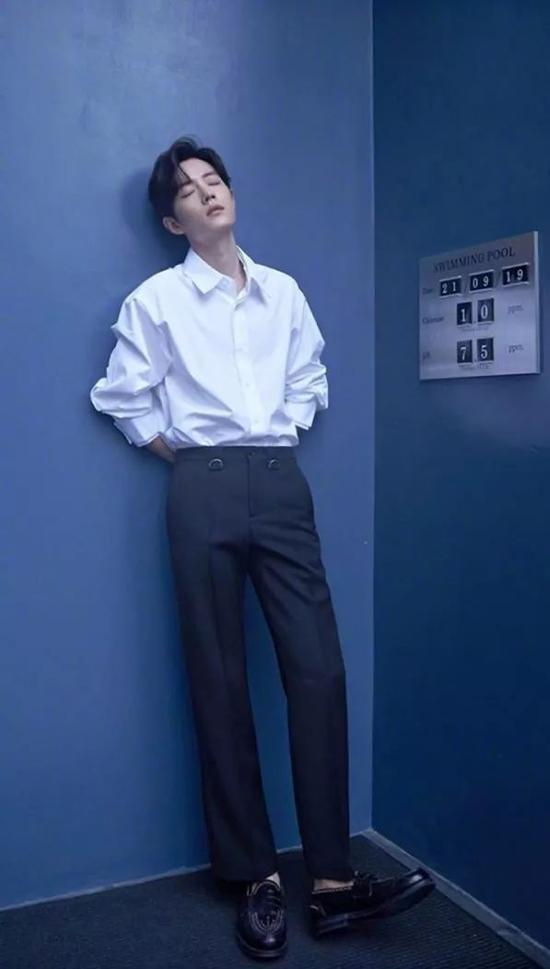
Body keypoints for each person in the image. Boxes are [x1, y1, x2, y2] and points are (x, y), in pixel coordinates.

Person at [90, 136, 434, 960]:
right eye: (188, 189)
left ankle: (333, 880)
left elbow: (310, 379)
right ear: (173, 221)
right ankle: (255, 877)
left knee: (318, 669)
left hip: (280, 483)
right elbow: (124, 398)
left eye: (215, 179)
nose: (208, 192)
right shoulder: (155, 301)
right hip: (201, 485)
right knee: (218, 677)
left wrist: (272, 442)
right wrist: (195, 459)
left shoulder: (284, 293)